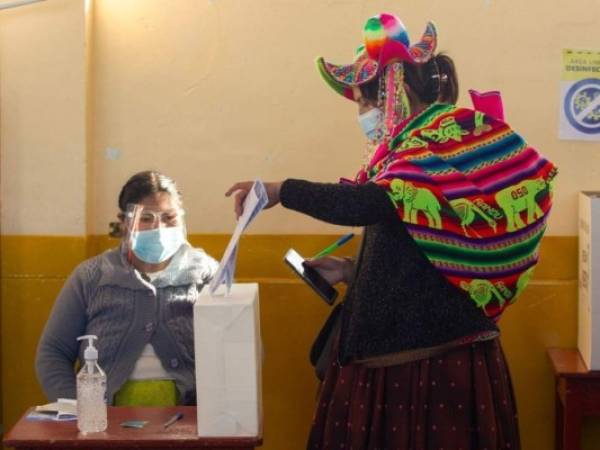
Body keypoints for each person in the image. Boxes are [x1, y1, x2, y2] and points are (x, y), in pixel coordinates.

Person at [226, 12, 557, 450]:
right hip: (409, 353)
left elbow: (370, 202)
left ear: (393, 93)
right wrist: (350, 270)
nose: (363, 114)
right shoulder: (411, 150)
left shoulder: (437, 141)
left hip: (428, 363)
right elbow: (420, 239)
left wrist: (280, 191)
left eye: (365, 102)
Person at [36, 170, 218, 406]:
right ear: (124, 222)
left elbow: (237, 348)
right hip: (105, 423)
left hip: (191, 421)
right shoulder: (91, 276)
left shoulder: (207, 274)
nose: (159, 228)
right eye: (146, 218)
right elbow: (53, 353)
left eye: (169, 217)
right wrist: (82, 412)